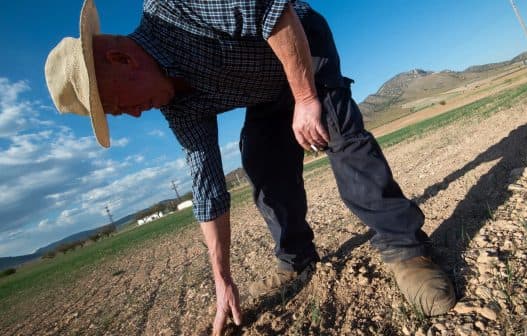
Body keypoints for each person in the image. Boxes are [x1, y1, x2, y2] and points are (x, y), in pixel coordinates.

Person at [45, 0, 456, 334]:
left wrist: (307, 99)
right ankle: (295, 258)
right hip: (264, 87)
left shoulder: (176, 8)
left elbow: (274, 12)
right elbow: (207, 188)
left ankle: (406, 251)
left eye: (118, 106)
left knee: (335, 130)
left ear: (120, 59)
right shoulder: (178, 106)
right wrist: (222, 278)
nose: (133, 115)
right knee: (263, 162)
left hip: (300, 40)